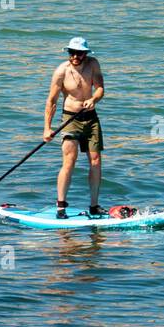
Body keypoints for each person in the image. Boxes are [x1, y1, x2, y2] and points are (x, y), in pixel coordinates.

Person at [44, 37, 106, 218]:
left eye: (79, 53)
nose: (75, 56)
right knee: (69, 161)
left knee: (95, 161)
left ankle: (94, 206)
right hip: (70, 119)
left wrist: (93, 99)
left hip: (91, 119)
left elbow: (101, 88)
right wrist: (47, 129)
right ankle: (61, 206)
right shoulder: (60, 72)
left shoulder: (93, 64)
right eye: (72, 52)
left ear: (85, 54)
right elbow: (52, 101)